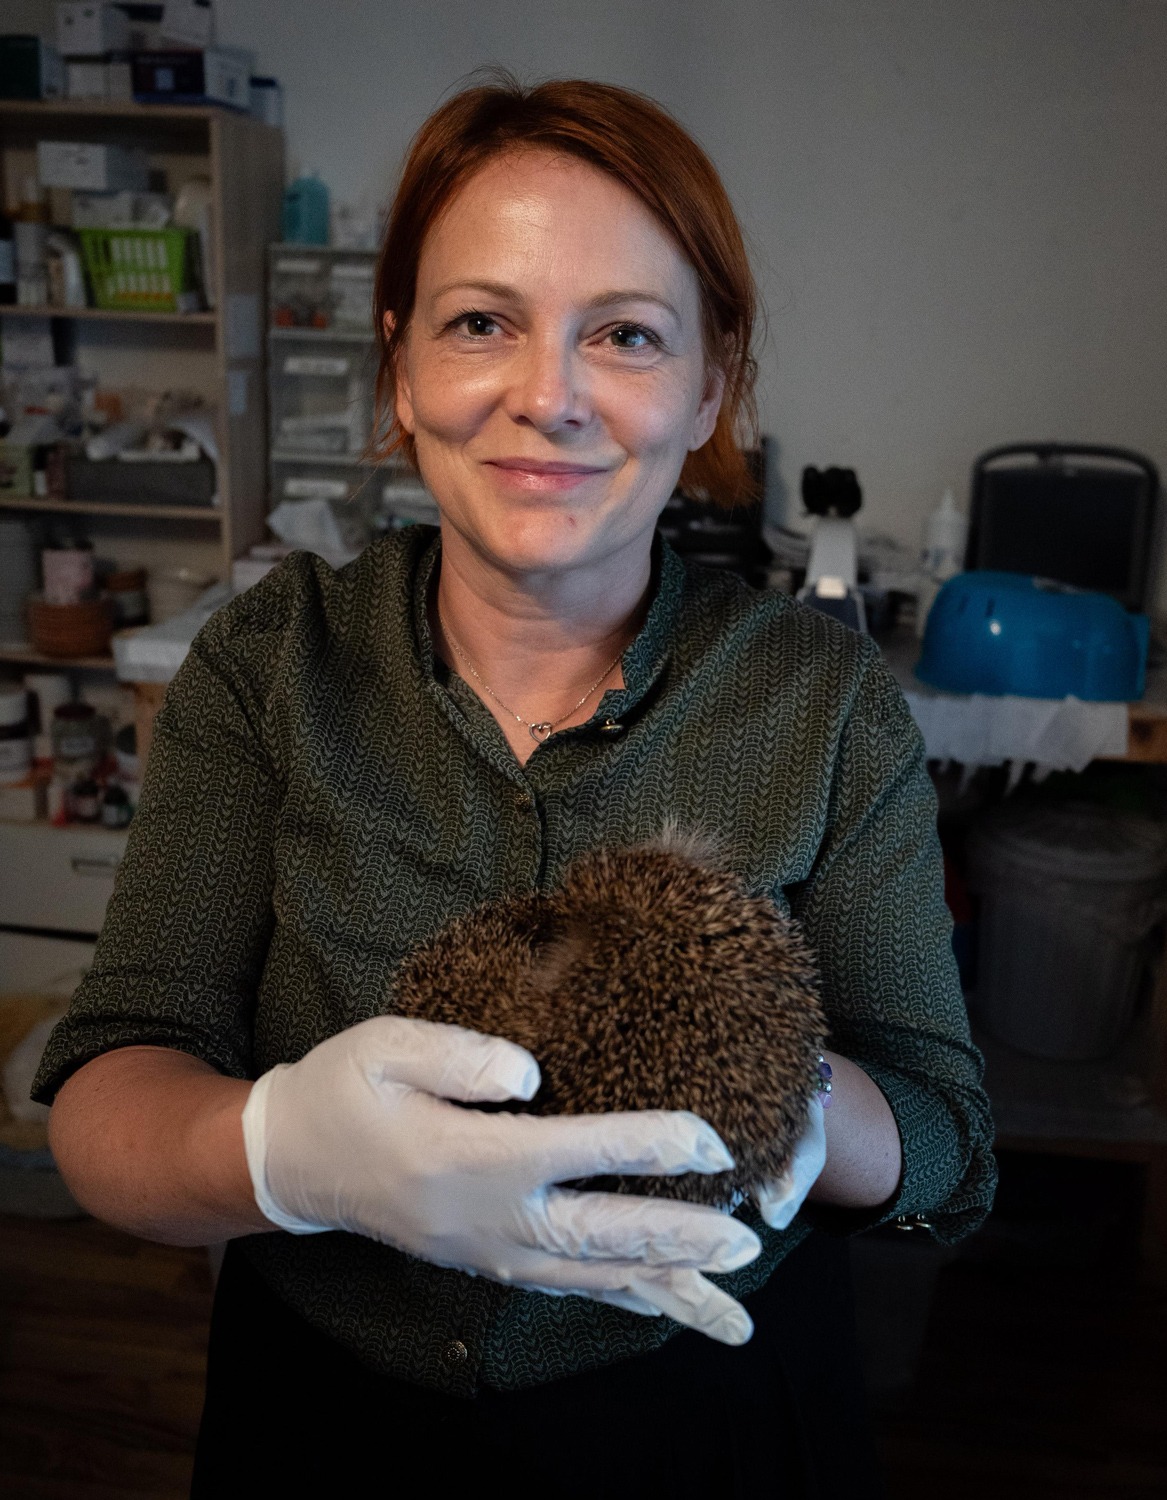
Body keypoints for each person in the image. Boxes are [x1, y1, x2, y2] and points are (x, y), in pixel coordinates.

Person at [35, 76, 996, 1497]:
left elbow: (949, 1147)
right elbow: (104, 1101)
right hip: (324, 1420)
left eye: (624, 334)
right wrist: (282, 1152)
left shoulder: (826, 703)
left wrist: (797, 1096)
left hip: (713, 1415)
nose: (546, 395)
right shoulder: (267, 665)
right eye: (482, 321)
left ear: (709, 385)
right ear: (400, 367)